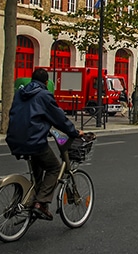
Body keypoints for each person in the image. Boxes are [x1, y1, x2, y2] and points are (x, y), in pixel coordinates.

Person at [6, 68, 84, 221]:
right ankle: (40, 204)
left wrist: (43, 128)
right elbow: (59, 118)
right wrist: (74, 132)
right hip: (33, 140)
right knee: (54, 167)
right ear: (46, 82)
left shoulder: (20, 93)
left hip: (14, 139)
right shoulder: (44, 95)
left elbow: (26, 116)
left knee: (38, 170)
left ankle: (33, 197)